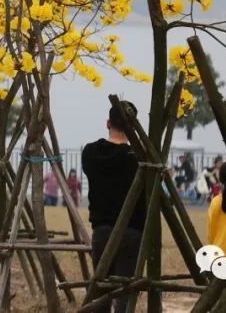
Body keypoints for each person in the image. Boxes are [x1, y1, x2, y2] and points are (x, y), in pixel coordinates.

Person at [82, 103, 145, 313]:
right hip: (132, 231)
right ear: (133, 128)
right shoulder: (138, 159)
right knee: (124, 292)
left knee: (101, 290)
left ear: (108, 123)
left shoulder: (90, 153)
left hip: (101, 230)